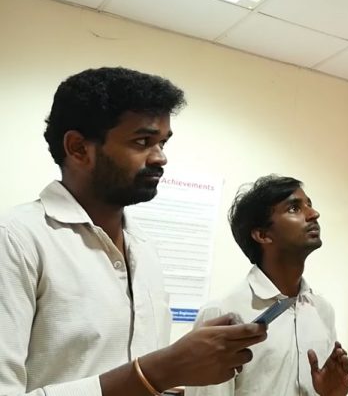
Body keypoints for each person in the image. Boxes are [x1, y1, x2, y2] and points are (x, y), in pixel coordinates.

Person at [0, 67, 267, 396]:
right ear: (78, 148)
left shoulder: (144, 248)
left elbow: (138, 372)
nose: (161, 158)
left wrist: (182, 361)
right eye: (143, 142)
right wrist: (160, 370)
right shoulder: (15, 239)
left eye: (163, 142)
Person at [186, 175, 348, 396]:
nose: (314, 214)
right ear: (262, 234)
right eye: (294, 208)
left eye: (309, 205)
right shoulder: (222, 314)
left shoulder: (322, 310)